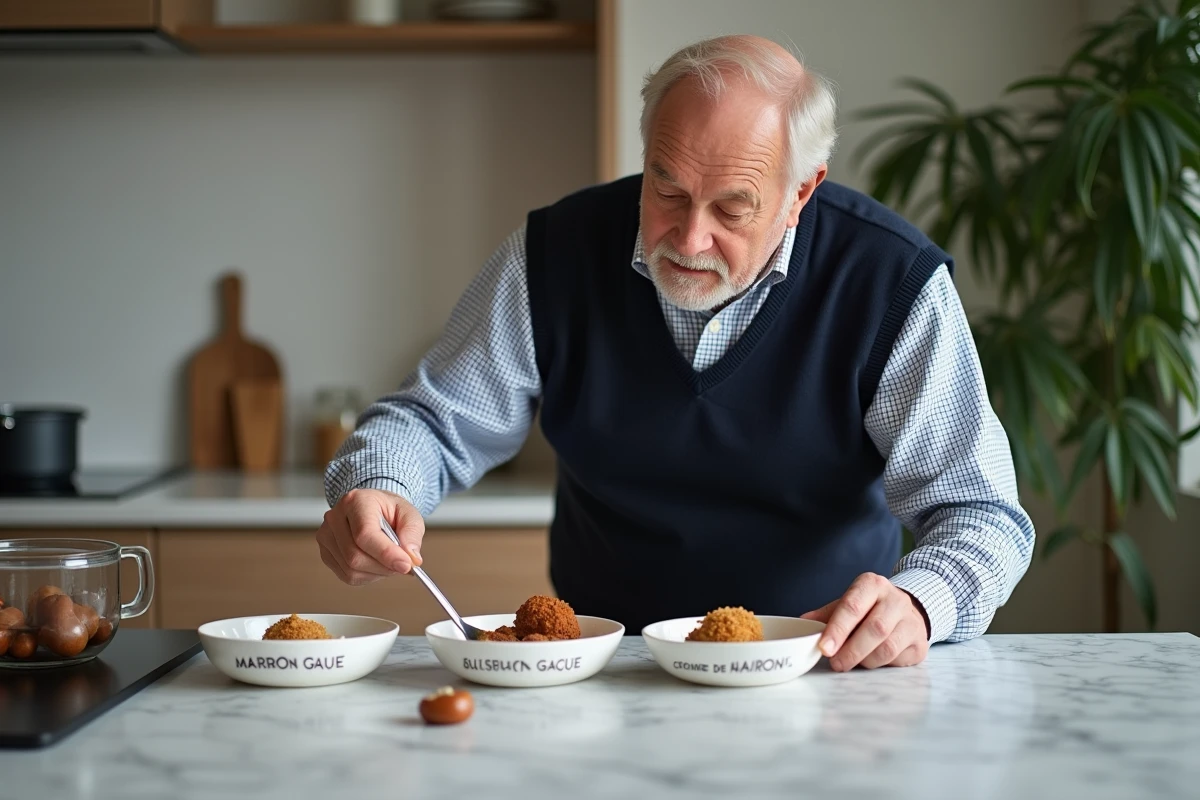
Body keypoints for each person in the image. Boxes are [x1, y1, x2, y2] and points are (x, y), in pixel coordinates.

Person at [317, 35, 1035, 672]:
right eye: (667, 188)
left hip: (820, 668)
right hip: (605, 666)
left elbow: (980, 513)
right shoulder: (554, 255)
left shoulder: (890, 281)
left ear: (801, 192)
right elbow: (433, 420)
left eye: (731, 207)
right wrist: (381, 484)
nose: (689, 239)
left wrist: (918, 602)